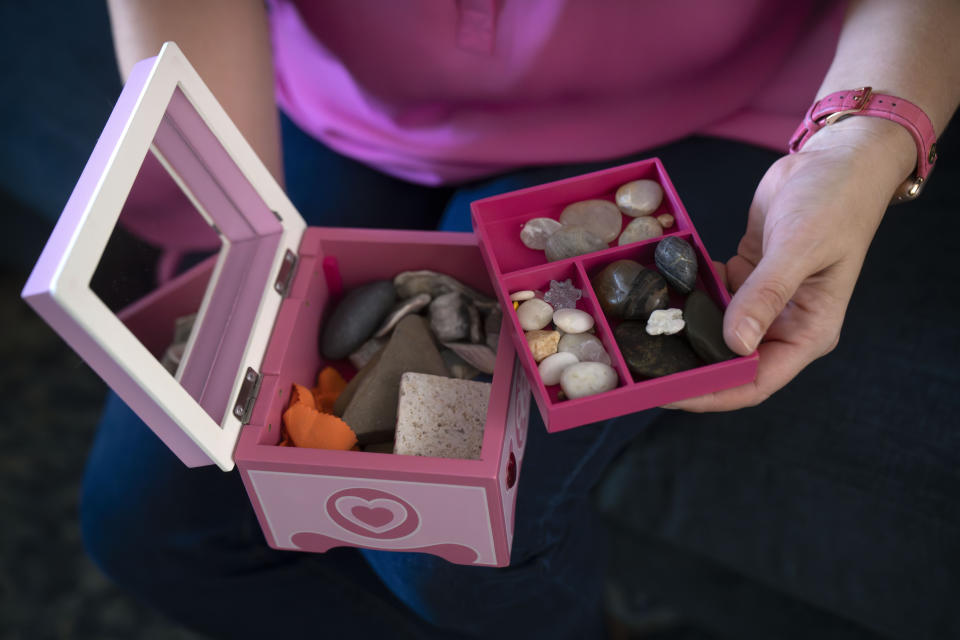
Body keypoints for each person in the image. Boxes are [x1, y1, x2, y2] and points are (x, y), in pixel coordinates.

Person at [80, 1, 960, 638]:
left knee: (445, 542)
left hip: (713, 118)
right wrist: (240, 222)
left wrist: (864, 138)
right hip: (339, 114)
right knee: (148, 526)